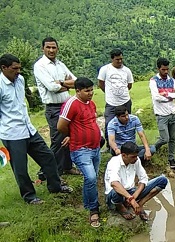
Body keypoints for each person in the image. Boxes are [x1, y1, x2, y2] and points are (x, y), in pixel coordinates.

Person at [0, 54, 73, 204]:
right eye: (15, 69)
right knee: (20, 168)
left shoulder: (20, 80)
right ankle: (30, 197)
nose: (18, 71)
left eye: (19, 68)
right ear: (4, 68)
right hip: (12, 133)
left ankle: (55, 186)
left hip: (28, 129)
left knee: (48, 156)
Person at [57, 77, 102, 227]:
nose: (90, 93)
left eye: (91, 90)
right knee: (90, 177)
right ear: (77, 91)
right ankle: (93, 209)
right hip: (80, 149)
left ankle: (88, 203)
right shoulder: (72, 104)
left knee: (92, 178)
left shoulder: (91, 104)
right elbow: (61, 125)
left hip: (95, 147)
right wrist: (70, 135)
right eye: (87, 91)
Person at [33, 37, 79, 178]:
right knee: (58, 140)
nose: (51, 50)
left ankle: (67, 167)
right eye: (48, 47)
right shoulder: (40, 66)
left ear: (57, 48)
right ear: (43, 48)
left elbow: (76, 82)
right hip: (53, 107)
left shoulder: (60, 64)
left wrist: (61, 83)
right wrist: (66, 84)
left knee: (68, 136)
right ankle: (52, 172)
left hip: (66, 105)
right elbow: (52, 87)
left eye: (54, 47)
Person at [104, 141, 168, 221]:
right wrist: (132, 199)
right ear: (124, 155)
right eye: (133, 157)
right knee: (117, 189)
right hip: (114, 197)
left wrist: (135, 195)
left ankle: (140, 204)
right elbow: (114, 183)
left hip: (130, 193)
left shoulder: (136, 160)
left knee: (162, 180)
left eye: (136, 156)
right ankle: (120, 207)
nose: (136, 158)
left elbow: (143, 178)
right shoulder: (114, 162)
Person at [98, 49, 134, 146]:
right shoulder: (105, 69)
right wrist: (109, 93)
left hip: (125, 101)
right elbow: (101, 83)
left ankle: (126, 143)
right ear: (112, 59)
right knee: (109, 123)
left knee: (126, 122)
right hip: (111, 103)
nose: (120, 61)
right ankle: (109, 145)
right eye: (117, 59)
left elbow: (129, 85)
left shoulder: (127, 70)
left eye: (121, 59)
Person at [150, 57, 175, 170]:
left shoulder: (172, 80)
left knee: (172, 138)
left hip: (172, 113)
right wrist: (170, 94)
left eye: (167, 69)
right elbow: (156, 97)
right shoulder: (153, 81)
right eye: (163, 69)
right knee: (165, 138)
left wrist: (165, 95)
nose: (166, 72)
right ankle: (153, 149)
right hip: (161, 115)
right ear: (158, 69)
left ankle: (171, 159)